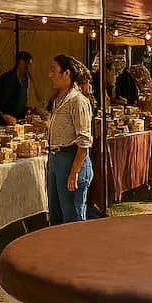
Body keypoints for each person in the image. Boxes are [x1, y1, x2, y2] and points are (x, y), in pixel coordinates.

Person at [44, 55, 94, 223]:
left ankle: (76, 248)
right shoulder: (57, 101)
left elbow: (84, 141)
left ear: (67, 73)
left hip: (71, 159)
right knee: (56, 213)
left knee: (72, 214)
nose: (50, 75)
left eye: (53, 70)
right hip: (56, 159)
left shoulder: (78, 101)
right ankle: (58, 248)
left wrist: (74, 172)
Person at [0, 51, 33, 125]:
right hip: (4, 121)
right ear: (21, 62)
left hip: (18, 121)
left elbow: (21, 102)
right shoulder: (7, 78)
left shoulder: (25, 79)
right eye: (28, 63)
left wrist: (26, 110)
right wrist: (2, 115)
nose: (29, 67)